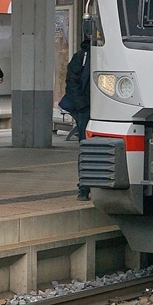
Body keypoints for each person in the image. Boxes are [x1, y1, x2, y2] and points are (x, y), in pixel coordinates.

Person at [60, 38, 93, 200]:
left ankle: (85, 187)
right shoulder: (82, 57)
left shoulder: (81, 56)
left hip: (90, 109)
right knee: (86, 147)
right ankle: (84, 187)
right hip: (86, 110)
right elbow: (71, 83)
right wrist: (83, 107)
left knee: (86, 147)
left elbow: (71, 82)